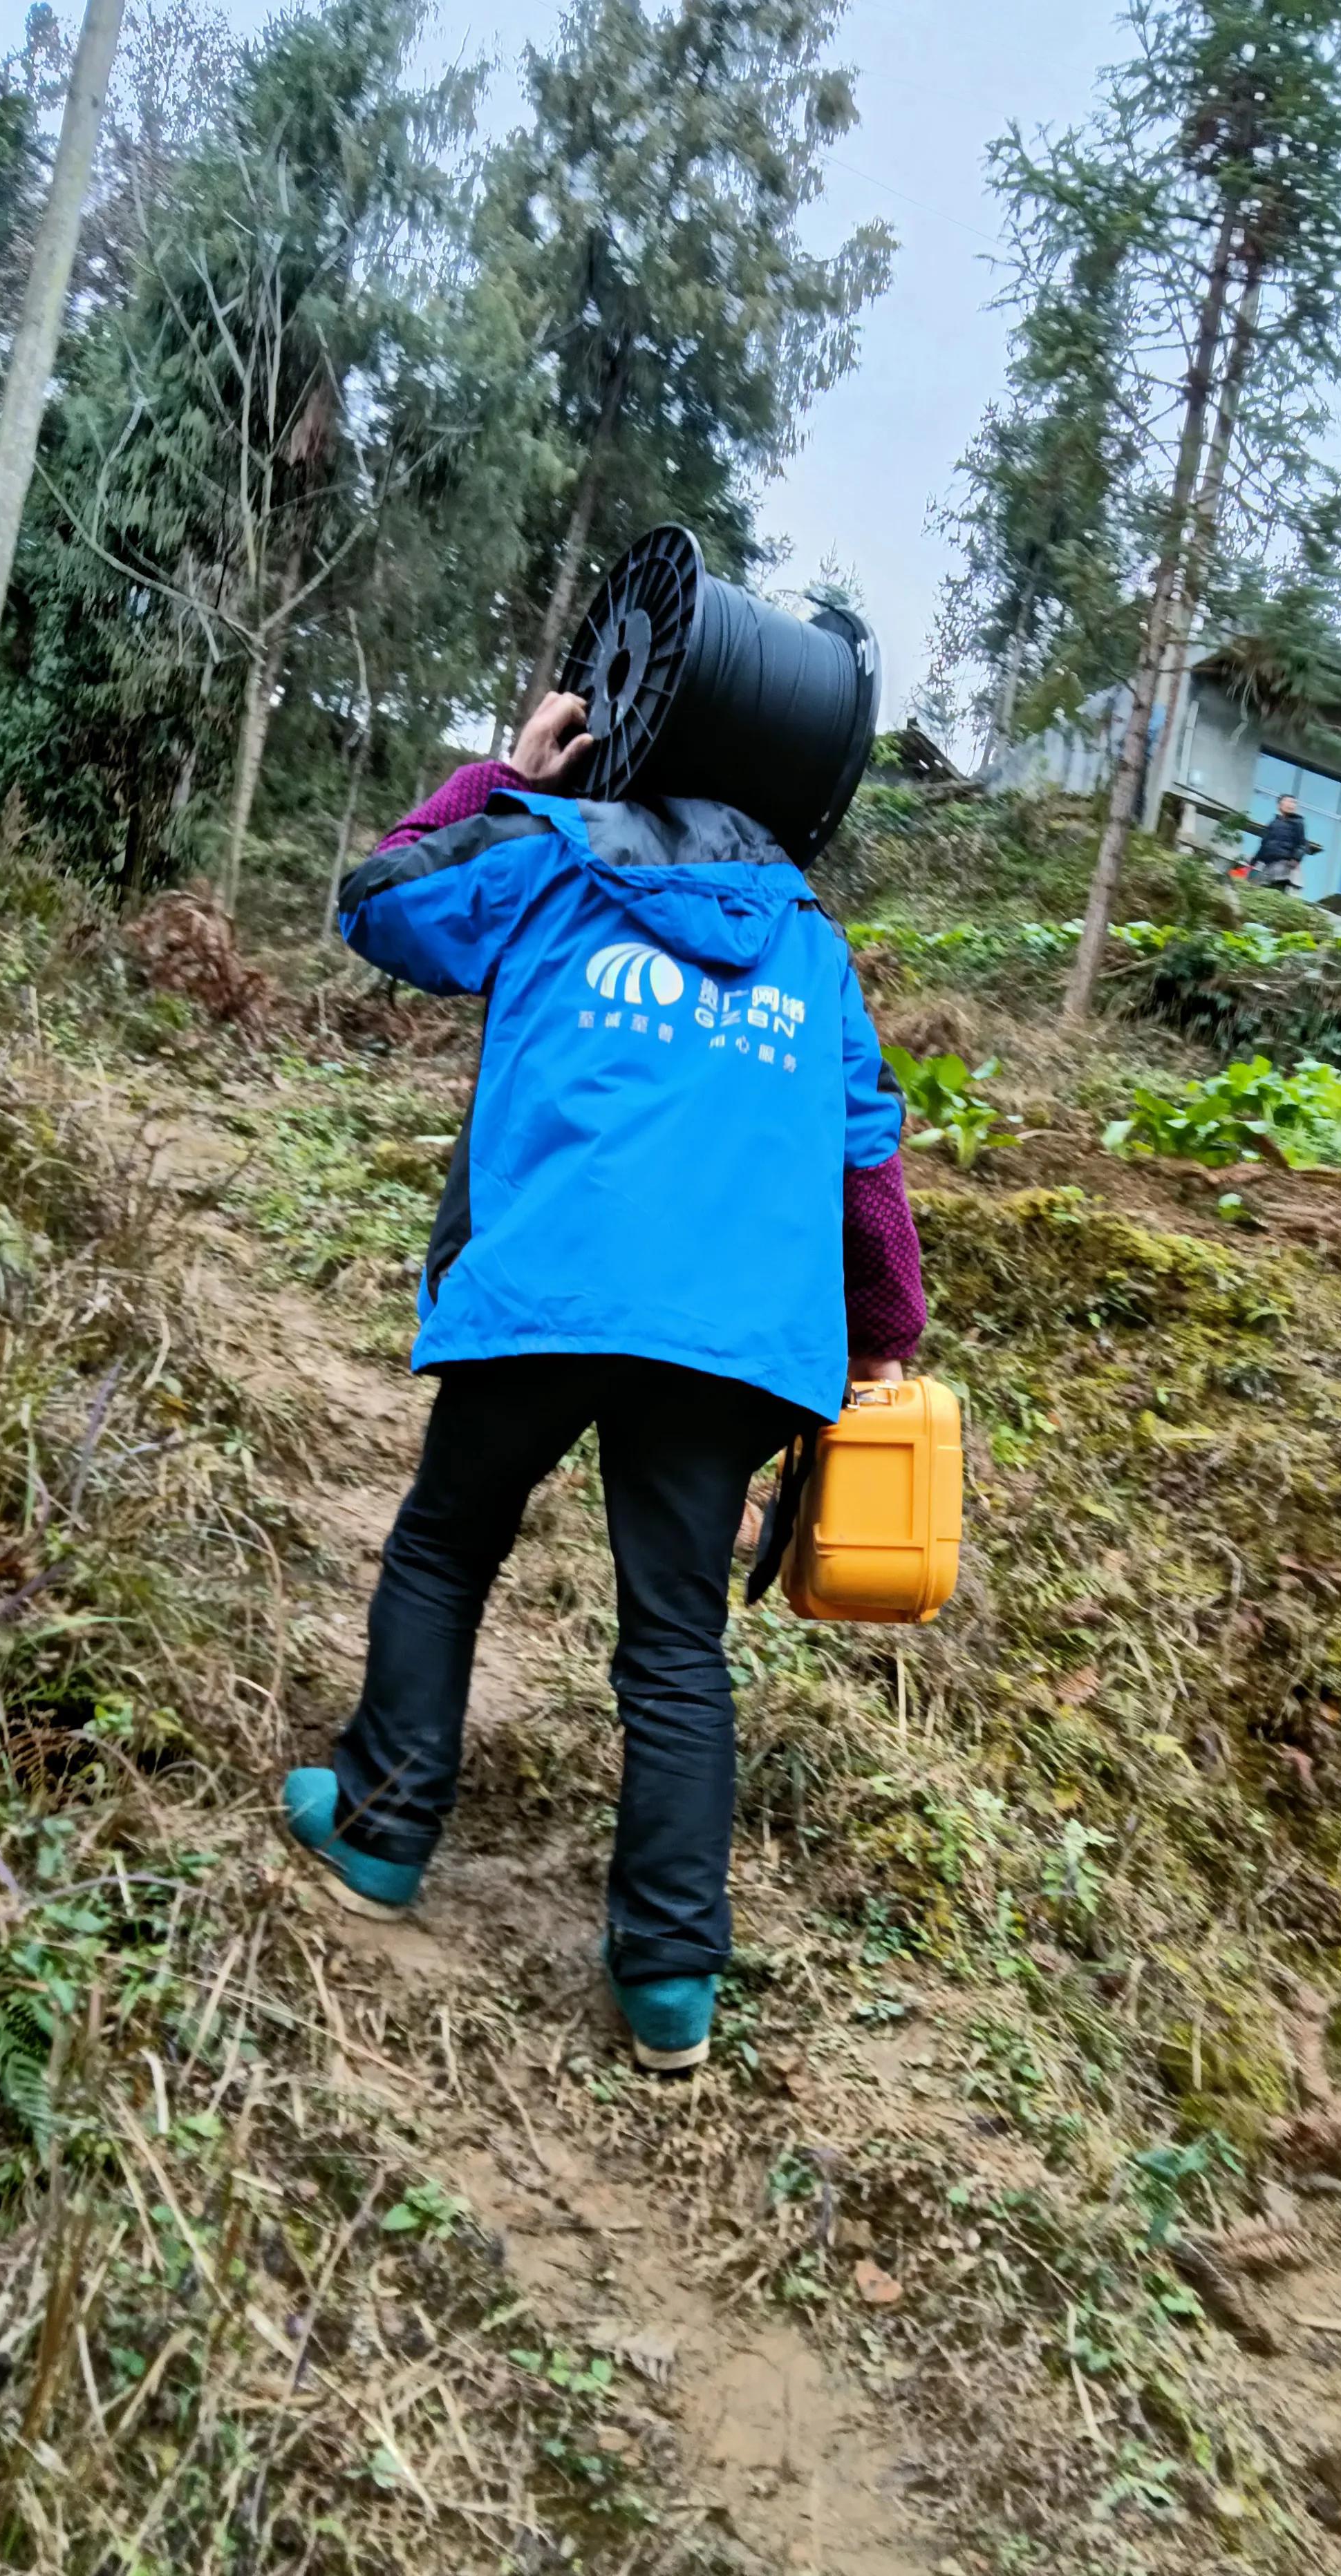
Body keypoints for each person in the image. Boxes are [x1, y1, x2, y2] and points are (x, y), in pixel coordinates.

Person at [280, 690, 926, 2074]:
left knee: (449, 1545)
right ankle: (671, 1982)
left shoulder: (546, 851)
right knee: (679, 1643)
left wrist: (497, 778)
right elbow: (866, 1158)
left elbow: (383, 898)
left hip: (551, 1285)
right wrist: (886, 1333)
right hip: (730, 1338)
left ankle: (385, 1831)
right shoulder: (809, 942)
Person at [1246, 790, 1318, 892]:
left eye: (1294, 803)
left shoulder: (1298, 823)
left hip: (1283, 864)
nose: (1291, 805)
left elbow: (1302, 844)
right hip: (1267, 864)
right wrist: (1256, 859)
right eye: (1288, 802)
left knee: (1275, 889)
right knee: (1258, 888)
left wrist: (1296, 859)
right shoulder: (1274, 823)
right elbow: (1265, 843)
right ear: (1280, 805)